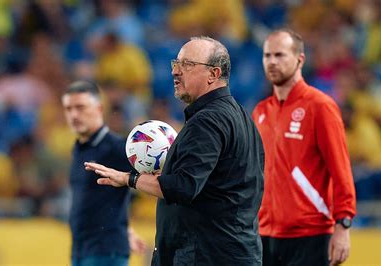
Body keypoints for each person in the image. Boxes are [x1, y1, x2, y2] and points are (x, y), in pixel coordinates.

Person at [85, 36, 265, 265]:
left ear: (214, 74)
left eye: (187, 65)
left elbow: (183, 187)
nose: (175, 72)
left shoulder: (208, 122)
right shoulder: (241, 118)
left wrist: (128, 179)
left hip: (207, 256)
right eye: (176, 64)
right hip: (231, 252)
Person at [251, 28, 356, 266]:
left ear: (300, 59)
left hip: (311, 234)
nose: (272, 62)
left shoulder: (320, 106)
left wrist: (343, 225)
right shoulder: (260, 112)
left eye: (280, 55)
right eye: (267, 56)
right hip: (264, 233)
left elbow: (341, 170)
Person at [62, 80, 146, 266]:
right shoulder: (79, 149)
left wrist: (121, 232)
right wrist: (127, 231)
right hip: (80, 250)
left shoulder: (118, 148)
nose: (74, 115)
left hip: (106, 251)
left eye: (80, 107)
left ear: (99, 109)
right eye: (68, 109)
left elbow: (150, 178)